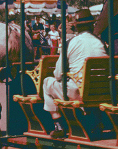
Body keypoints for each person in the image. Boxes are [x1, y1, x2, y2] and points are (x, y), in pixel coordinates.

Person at [42, 8, 107, 138]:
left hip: (78, 92)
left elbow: (58, 73)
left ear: (76, 27)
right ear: (91, 25)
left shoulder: (71, 43)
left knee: (47, 82)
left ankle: (58, 124)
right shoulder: (100, 43)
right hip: (101, 91)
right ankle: (97, 123)